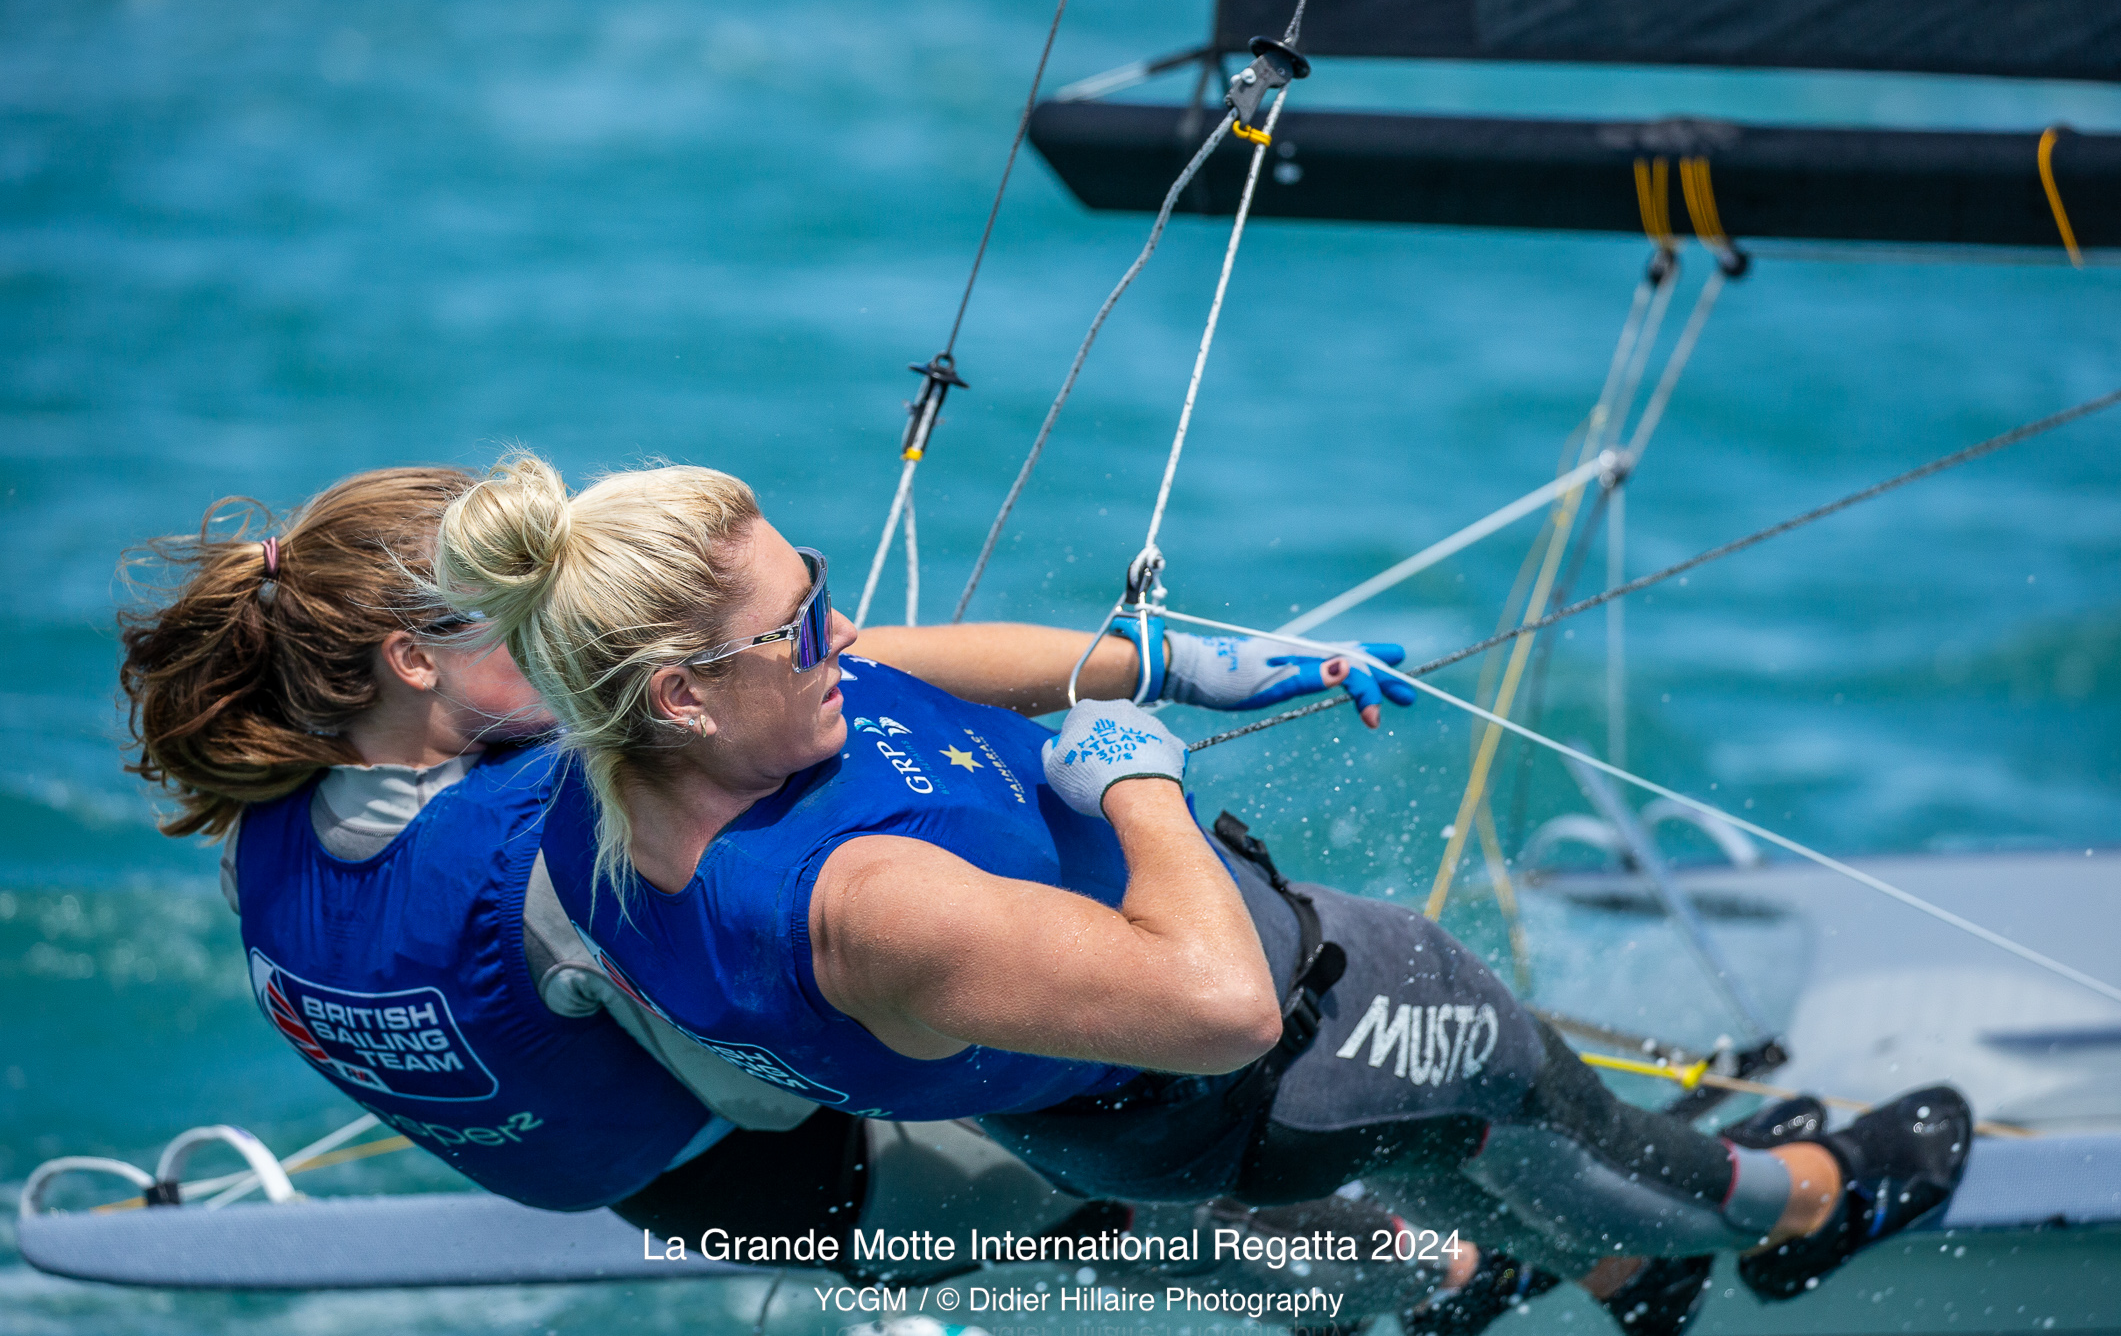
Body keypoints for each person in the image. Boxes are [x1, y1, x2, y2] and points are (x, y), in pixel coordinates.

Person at [434, 452, 1976, 1336]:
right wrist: (1137, 775)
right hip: (1261, 1050)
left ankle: (1625, 1269)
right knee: (1522, 1094)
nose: (839, 632)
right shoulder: (857, 900)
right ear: (682, 693)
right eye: (800, 622)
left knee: (1453, 1136)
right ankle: (1790, 1213)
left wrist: (1170, 659)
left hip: (1179, 1100)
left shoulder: (611, 776)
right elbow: (1218, 1004)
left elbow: (909, 660)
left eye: (821, 586)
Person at [113, 465, 1463, 1319]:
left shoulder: (268, 825)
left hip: (654, 1184)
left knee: (1090, 1208)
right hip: (815, 1171)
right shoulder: (548, 849)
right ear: (415, 660)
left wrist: (1159, 660)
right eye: (524, 632)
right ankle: (1424, 1278)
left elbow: (863, 654)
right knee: (1111, 1188)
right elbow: (764, 1068)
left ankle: (1390, 1273)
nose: (566, 645)